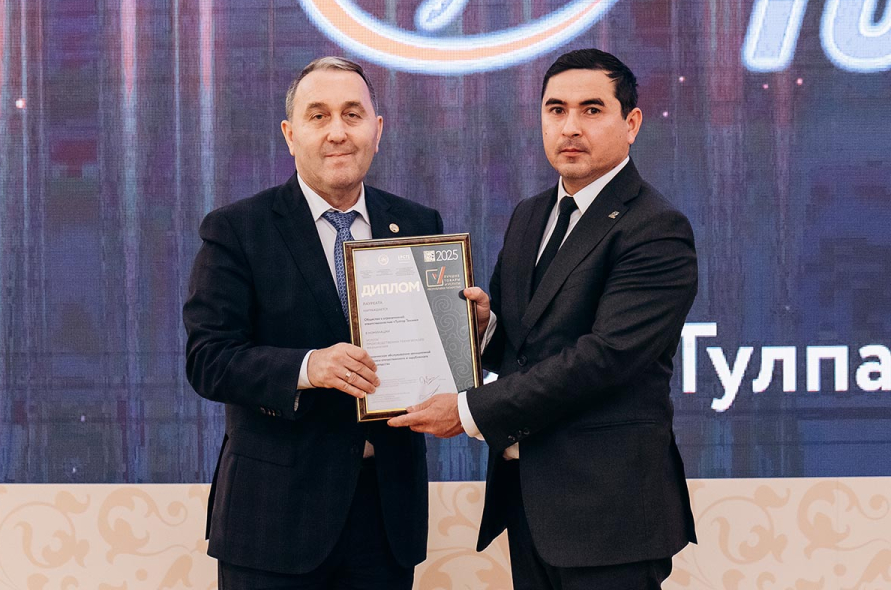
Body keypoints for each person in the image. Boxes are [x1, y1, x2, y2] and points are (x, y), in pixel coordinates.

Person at [389, 48, 698, 589]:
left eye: (591, 110)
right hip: (531, 505)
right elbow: (526, 343)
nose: (570, 127)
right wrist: (481, 330)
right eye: (556, 110)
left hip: (611, 515)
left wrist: (467, 409)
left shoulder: (655, 228)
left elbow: (604, 359)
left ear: (631, 123)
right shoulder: (531, 214)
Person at [184, 56, 443, 589]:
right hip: (273, 518)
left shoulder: (418, 224)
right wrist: (307, 367)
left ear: (377, 130)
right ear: (290, 134)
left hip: (385, 517)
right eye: (318, 116)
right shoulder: (238, 229)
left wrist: (466, 329)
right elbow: (208, 359)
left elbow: (434, 356)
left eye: (352, 114)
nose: (337, 132)